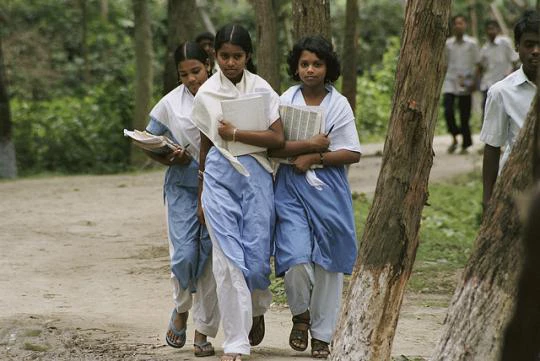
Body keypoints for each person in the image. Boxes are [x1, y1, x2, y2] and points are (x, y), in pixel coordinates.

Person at [191, 23, 285, 361]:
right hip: (218, 175)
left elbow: (277, 139)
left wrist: (237, 132)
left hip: (256, 174)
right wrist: (201, 190)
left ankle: (256, 308)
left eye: (237, 56)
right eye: (224, 56)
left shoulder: (262, 89)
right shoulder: (206, 94)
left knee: (257, 261)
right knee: (227, 260)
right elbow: (205, 142)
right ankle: (235, 342)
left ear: (247, 57)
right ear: (214, 56)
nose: (230, 63)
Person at [269, 35, 362, 359]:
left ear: (327, 68)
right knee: (294, 258)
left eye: (317, 64)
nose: (310, 70)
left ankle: (322, 335)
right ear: (296, 67)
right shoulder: (284, 99)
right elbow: (272, 144)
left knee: (329, 265)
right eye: (305, 64)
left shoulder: (338, 104)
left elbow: (352, 151)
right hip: (290, 186)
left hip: (328, 189)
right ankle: (301, 315)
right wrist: (308, 147)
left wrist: (317, 159)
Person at [143, 41, 219, 358]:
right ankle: (181, 308)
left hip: (218, 185)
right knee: (185, 254)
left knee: (211, 264)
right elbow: (148, 139)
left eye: (196, 71)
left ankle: (202, 333)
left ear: (208, 65)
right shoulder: (170, 105)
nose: (191, 79)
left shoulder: (223, 95)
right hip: (181, 187)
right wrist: (168, 157)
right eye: (183, 74)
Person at [480, 10, 539, 210]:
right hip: (518, 187)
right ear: (517, 47)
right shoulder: (501, 92)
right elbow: (492, 147)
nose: (536, 51)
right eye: (529, 44)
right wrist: (487, 198)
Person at [442, 14, 481, 154]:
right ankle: (454, 136)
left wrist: (475, 82)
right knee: (448, 110)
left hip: (466, 81)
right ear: (452, 26)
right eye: (456, 23)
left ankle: (465, 144)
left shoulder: (472, 43)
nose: (458, 26)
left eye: (461, 23)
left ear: (465, 25)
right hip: (450, 80)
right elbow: (444, 63)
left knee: (464, 114)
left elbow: (478, 64)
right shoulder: (447, 44)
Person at [478, 20, 519, 122]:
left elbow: (514, 60)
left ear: (498, 30)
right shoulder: (485, 48)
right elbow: (481, 67)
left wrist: (512, 76)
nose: (490, 31)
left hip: (504, 82)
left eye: (493, 29)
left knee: (505, 110)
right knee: (486, 109)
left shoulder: (505, 43)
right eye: (488, 29)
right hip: (488, 84)